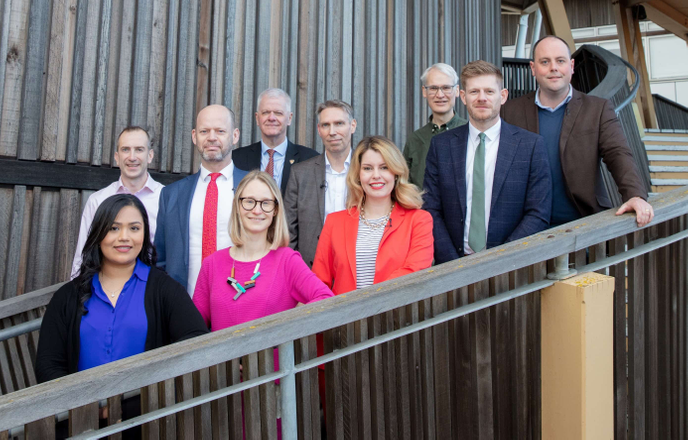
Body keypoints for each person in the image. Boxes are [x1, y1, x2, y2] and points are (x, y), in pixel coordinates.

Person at [36, 194, 208, 383]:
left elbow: (196, 339)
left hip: (147, 409)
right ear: (98, 233)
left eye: (134, 228)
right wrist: (84, 406)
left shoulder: (164, 289)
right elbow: (48, 364)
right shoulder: (67, 296)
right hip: (82, 409)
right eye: (114, 228)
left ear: (144, 234)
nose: (124, 237)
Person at [501, 35, 653, 227]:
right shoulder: (509, 111)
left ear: (572, 66)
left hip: (583, 224)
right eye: (545, 62)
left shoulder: (597, 109)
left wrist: (635, 195)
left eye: (560, 61)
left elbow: (618, 153)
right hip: (525, 229)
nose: (553, 67)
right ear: (533, 68)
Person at [423, 60, 552, 264]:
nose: (481, 98)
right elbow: (431, 208)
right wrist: (452, 263)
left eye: (489, 92)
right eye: (474, 92)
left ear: (503, 96)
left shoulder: (531, 146)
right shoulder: (441, 146)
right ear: (463, 97)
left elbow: (538, 213)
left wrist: (501, 260)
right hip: (452, 266)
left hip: (510, 266)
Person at [193, 169, 332, 331]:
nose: (257, 210)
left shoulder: (287, 260)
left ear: (275, 210)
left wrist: (288, 327)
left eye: (265, 203)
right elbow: (194, 327)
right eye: (249, 201)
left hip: (271, 356)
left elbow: (326, 299)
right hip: (222, 357)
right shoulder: (212, 264)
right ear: (238, 206)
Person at [313, 135, 434, 294]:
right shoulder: (334, 222)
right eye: (368, 168)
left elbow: (414, 272)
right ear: (358, 174)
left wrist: (369, 304)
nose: (376, 175)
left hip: (396, 315)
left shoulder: (419, 221)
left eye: (384, 167)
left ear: (396, 173)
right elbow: (318, 282)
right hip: (345, 316)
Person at [154, 104, 246, 296]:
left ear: (235, 136)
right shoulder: (171, 195)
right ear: (195, 136)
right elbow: (159, 261)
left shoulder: (254, 188)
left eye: (220, 131)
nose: (212, 137)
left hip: (241, 304)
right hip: (184, 307)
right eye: (205, 131)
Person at [71, 126, 163, 279]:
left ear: (150, 156)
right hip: (105, 289)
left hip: (151, 291)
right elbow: (83, 255)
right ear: (117, 157)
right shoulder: (98, 200)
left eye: (139, 150)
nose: (132, 157)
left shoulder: (166, 198)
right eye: (125, 149)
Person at [284, 100, 357, 267]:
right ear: (319, 130)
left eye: (339, 123)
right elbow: (288, 231)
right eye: (326, 125)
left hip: (358, 271)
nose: (332, 132)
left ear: (352, 126)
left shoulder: (367, 171)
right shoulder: (300, 174)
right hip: (311, 271)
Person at [232, 88, 319, 195]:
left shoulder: (310, 159)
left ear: (289, 118)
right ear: (257, 118)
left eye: (278, 113)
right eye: (265, 112)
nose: (271, 118)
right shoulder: (237, 158)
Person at [403, 63, 468, 188]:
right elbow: (405, 185)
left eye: (446, 87)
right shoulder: (415, 139)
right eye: (433, 88)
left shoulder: (470, 132)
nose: (440, 95)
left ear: (457, 91)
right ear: (424, 91)